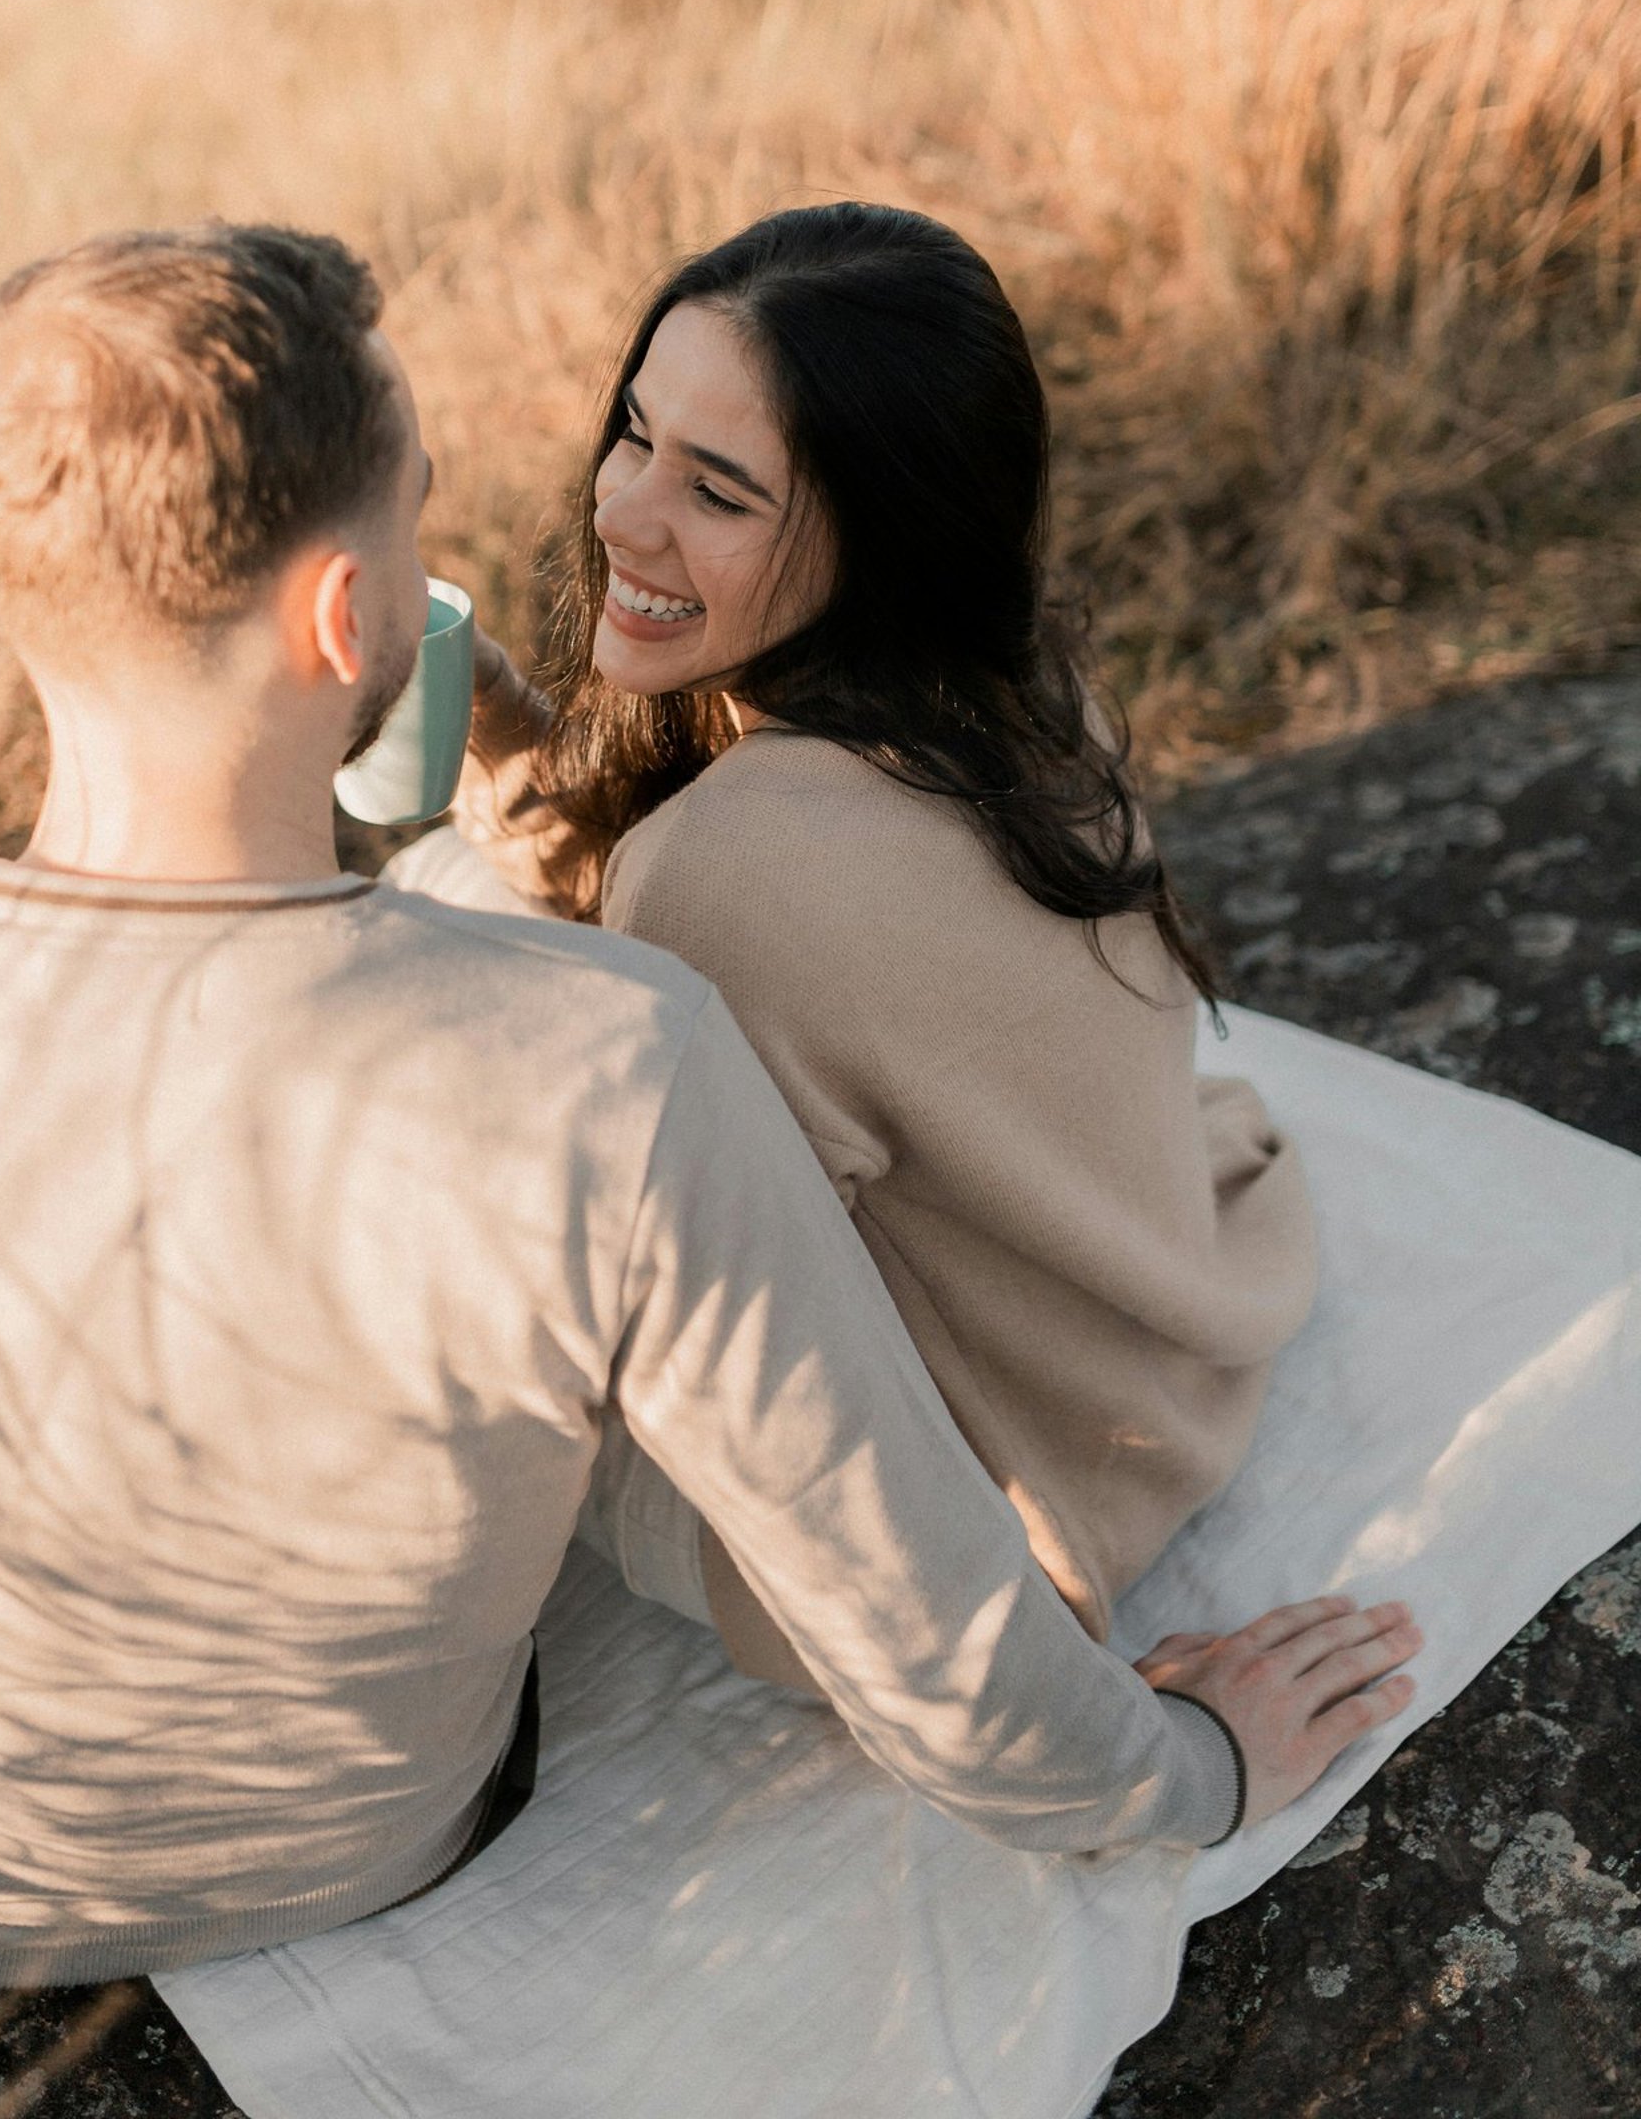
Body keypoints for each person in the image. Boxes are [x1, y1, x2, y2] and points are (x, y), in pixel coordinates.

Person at [0, 222, 1416, 1994]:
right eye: (417, 506)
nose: (607, 511)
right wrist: (1194, 1772)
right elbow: (924, 1628)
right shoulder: (611, 1065)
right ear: (348, 615)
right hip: (376, 1834)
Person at [447, 203, 1317, 1687]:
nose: (625, 512)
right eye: (636, 434)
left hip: (993, 1516)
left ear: (882, 535)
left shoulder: (712, 872)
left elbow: (736, 1359)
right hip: (1158, 1358)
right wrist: (475, 702)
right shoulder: (1017, 687)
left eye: (719, 492)